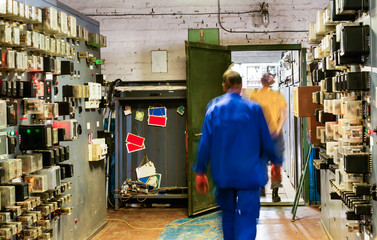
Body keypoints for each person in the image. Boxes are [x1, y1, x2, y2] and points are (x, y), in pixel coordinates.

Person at [194, 70, 282, 240]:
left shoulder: (214, 108)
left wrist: (200, 172)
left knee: (228, 217)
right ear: (240, 85)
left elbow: (205, 143)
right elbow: (267, 140)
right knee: (247, 218)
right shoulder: (255, 109)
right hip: (250, 175)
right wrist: (276, 164)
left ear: (226, 83)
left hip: (224, 175)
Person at [249, 73, 287, 202]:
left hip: (260, 134)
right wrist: (277, 129)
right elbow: (285, 113)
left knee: (260, 162)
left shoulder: (255, 95)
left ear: (261, 82)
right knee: (276, 163)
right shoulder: (277, 95)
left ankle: (261, 188)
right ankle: (275, 193)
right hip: (275, 134)